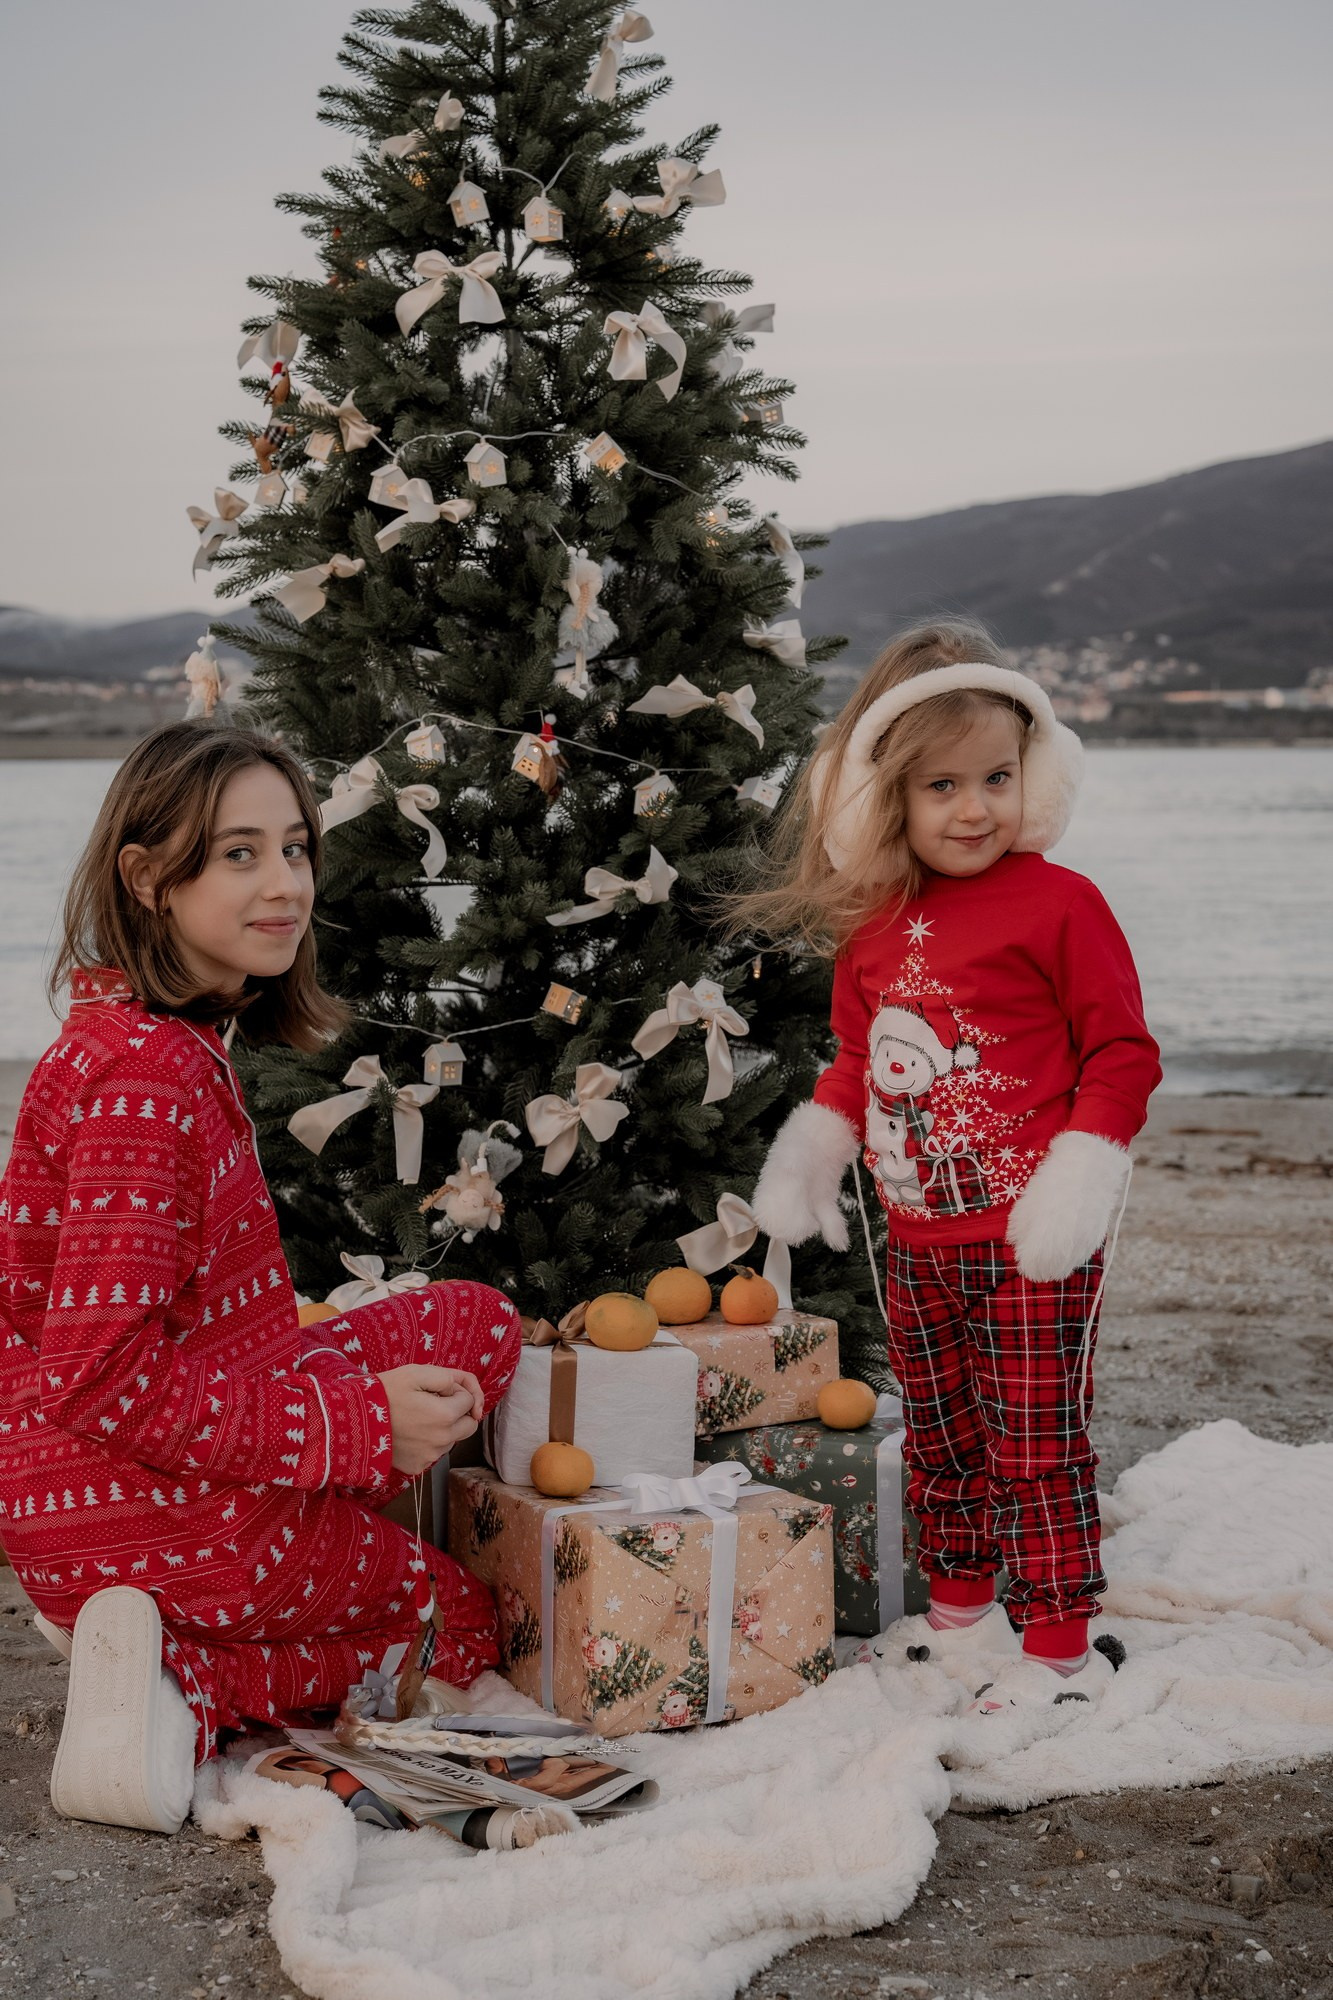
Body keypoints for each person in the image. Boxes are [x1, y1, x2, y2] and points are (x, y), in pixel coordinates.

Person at [0, 721, 521, 1832]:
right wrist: (355, 1427)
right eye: (239, 854)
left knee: (474, 1326)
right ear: (148, 877)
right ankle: (186, 1676)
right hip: (131, 1497)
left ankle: (184, 1609)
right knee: (460, 1617)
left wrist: (350, 1410)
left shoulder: (152, 1036)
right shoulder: (145, 1083)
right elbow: (101, 1378)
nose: (285, 883)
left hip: (145, 1461)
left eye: (293, 848)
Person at [740, 623, 1160, 1712]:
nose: (973, 808)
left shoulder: (1062, 904)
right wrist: (812, 1155)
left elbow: (1122, 1052)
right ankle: (959, 1611)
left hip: (1032, 1240)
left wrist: (1079, 1175)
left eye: (996, 778)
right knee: (939, 1434)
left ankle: (1058, 1646)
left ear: (1035, 777)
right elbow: (853, 1060)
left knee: (1034, 1443)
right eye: (941, 785)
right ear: (884, 797)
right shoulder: (873, 925)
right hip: (915, 1237)